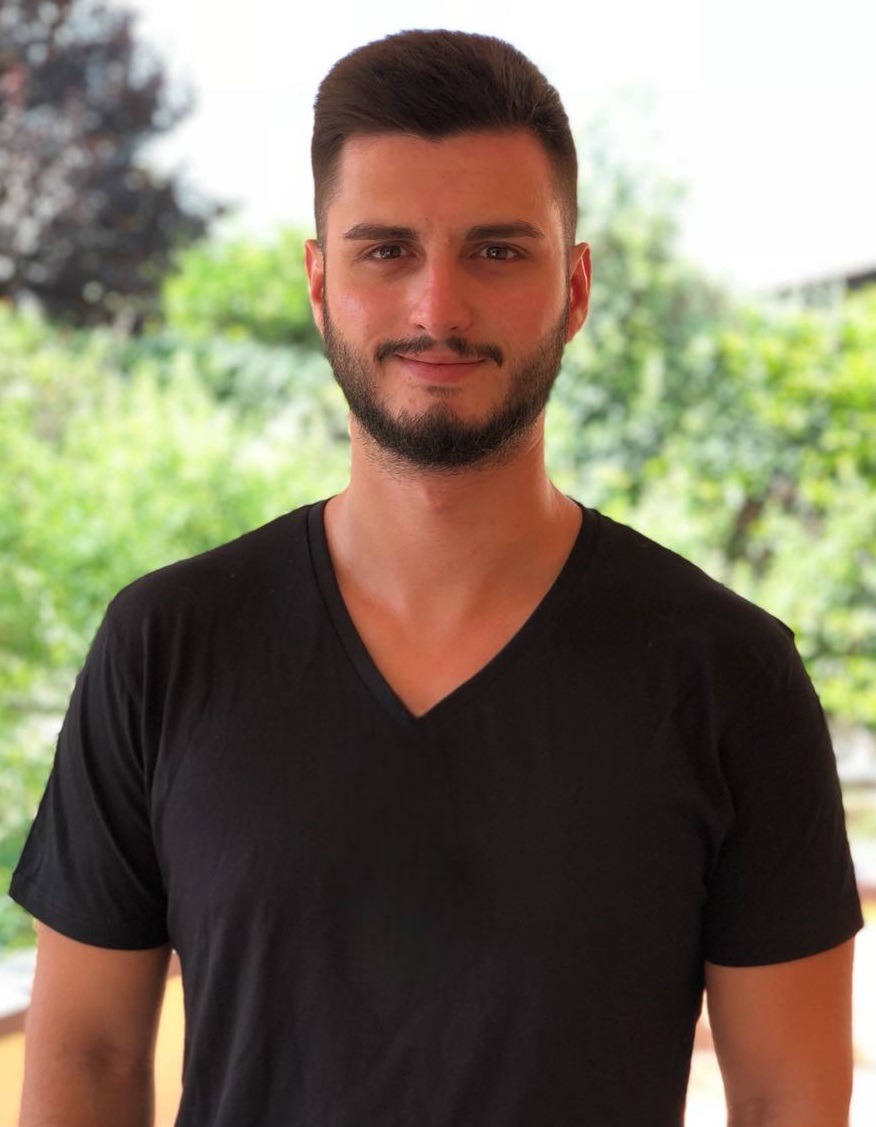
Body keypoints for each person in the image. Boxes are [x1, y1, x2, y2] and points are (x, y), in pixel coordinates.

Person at [10, 29, 863, 1127]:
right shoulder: (166, 642)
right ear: (320, 284)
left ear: (577, 285)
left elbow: (793, 1099)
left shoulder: (727, 672)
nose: (437, 308)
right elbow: (81, 1059)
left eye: (498, 251)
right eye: (386, 251)